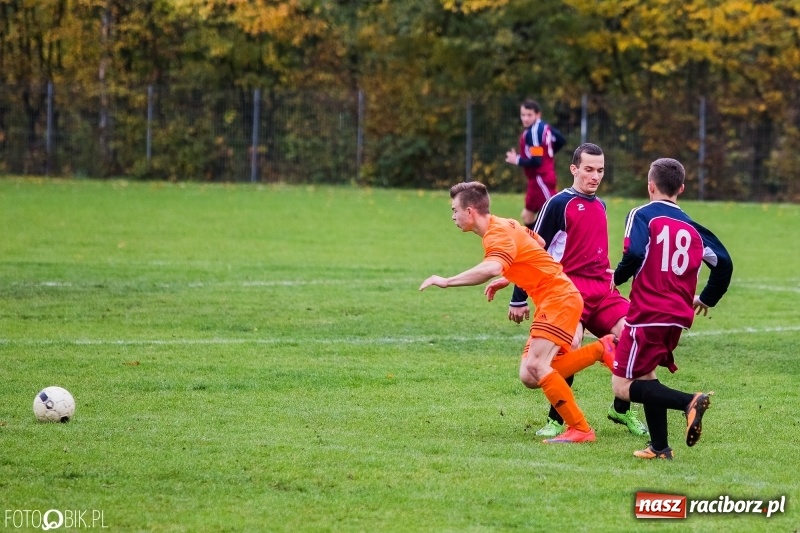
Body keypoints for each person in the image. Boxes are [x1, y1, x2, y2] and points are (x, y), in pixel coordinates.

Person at [419, 181, 617, 444]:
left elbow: (491, 267)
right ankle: (601, 349)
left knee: (537, 365)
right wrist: (510, 275)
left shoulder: (496, 234)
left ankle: (580, 429)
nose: (453, 216)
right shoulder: (507, 223)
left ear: (470, 212)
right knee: (529, 375)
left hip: (558, 298)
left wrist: (447, 281)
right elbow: (538, 242)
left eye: (454, 210)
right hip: (557, 298)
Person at [489, 143, 648, 439]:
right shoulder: (558, 204)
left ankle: (621, 408)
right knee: (570, 345)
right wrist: (518, 298)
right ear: (574, 169)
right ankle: (558, 419)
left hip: (603, 290)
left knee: (634, 335)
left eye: (600, 170)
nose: (595, 176)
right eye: (588, 169)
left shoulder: (601, 205)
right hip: (569, 290)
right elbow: (531, 250)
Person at [610, 158, 733, 460]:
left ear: (650, 186)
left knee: (622, 386)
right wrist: (707, 298)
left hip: (647, 312)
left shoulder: (642, 214)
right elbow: (724, 263)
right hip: (677, 316)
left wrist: (617, 278)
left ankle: (688, 401)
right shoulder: (693, 227)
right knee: (646, 374)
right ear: (681, 188)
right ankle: (660, 447)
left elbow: (634, 252)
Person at [504, 99, 566, 228]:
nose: (525, 118)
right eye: (523, 115)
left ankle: (566, 238)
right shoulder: (543, 126)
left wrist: (517, 160)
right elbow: (561, 140)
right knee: (527, 215)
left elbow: (536, 161)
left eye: (529, 115)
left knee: (556, 213)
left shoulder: (534, 132)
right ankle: (534, 240)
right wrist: (547, 154)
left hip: (541, 178)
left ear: (538, 115)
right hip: (536, 179)